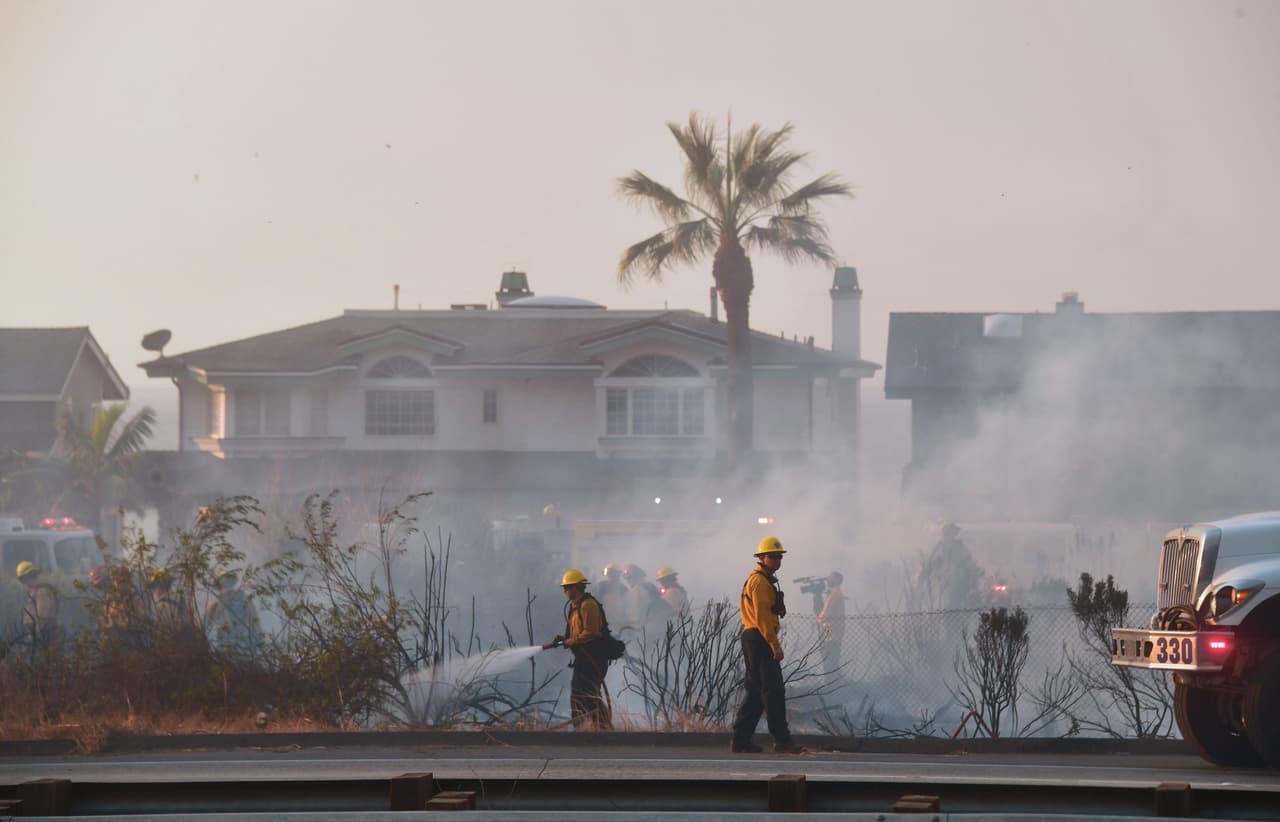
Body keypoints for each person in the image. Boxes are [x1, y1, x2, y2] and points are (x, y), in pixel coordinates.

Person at [730, 536, 804, 754]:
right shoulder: (761, 582)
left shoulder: (761, 580)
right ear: (761, 558)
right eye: (772, 556)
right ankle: (782, 740)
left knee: (755, 692)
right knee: (773, 691)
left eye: (779, 557)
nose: (777, 560)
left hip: (753, 638)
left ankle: (740, 739)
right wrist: (774, 644)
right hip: (760, 639)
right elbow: (762, 617)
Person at [545, 568, 614, 730]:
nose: (564, 591)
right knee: (577, 694)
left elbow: (592, 632)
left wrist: (572, 641)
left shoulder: (588, 605)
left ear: (576, 587)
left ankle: (604, 729)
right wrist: (564, 639)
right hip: (583, 659)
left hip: (594, 658)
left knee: (588, 695)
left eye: (567, 587)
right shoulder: (574, 607)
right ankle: (581, 729)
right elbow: (575, 633)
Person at [919, 522, 985, 609]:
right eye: (949, 533)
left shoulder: (958, 547)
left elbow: (968, 560)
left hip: (957, 579)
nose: (950, 536)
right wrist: (925, 573)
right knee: (943, 603)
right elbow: (931, 562)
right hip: (941, 581)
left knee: (955, 601)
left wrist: (974, 570)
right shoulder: (939, 547)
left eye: (952, 533)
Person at [205, 571, 261, 658]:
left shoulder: (215, 603)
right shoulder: (246, 599)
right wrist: (257, 643)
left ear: (219, 585)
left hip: (224, 648)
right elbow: (256, 624)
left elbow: (205, 627)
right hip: (245, 647)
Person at [16, 561, 58, 649]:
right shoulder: (34, 590)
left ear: (29, 575)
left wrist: (35, 635)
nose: (24, 583)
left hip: (42, 634)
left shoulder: (42, 591)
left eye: (23, 579)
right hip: (35, 632)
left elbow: (43, 616)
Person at [816, 571, 847, 676]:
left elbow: (828, 611)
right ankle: (831, 675)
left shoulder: (835, 593)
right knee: (829, 651)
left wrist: (819, 619)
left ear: (837, 580)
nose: (828, 579)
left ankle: (832, 676)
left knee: (831, 653)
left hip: (832, 628)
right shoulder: (833, 593)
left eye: (830, 577)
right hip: (829, 628)